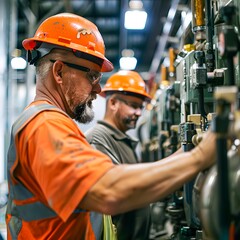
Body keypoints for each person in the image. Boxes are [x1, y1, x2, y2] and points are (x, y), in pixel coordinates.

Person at [5, 12, 216, 240]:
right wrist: (201, 156)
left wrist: (189, 153)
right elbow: (107, 191)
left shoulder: (50, 122)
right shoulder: (45, 124)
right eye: (92, 76)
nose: (97, 89)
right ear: (59, 72)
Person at [85, 70, 152, 240]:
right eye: (134, 106)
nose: (138, 113)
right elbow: (115, 191)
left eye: (140, 107)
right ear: (113, 103)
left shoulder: (122, 140)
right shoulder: (99, 139)